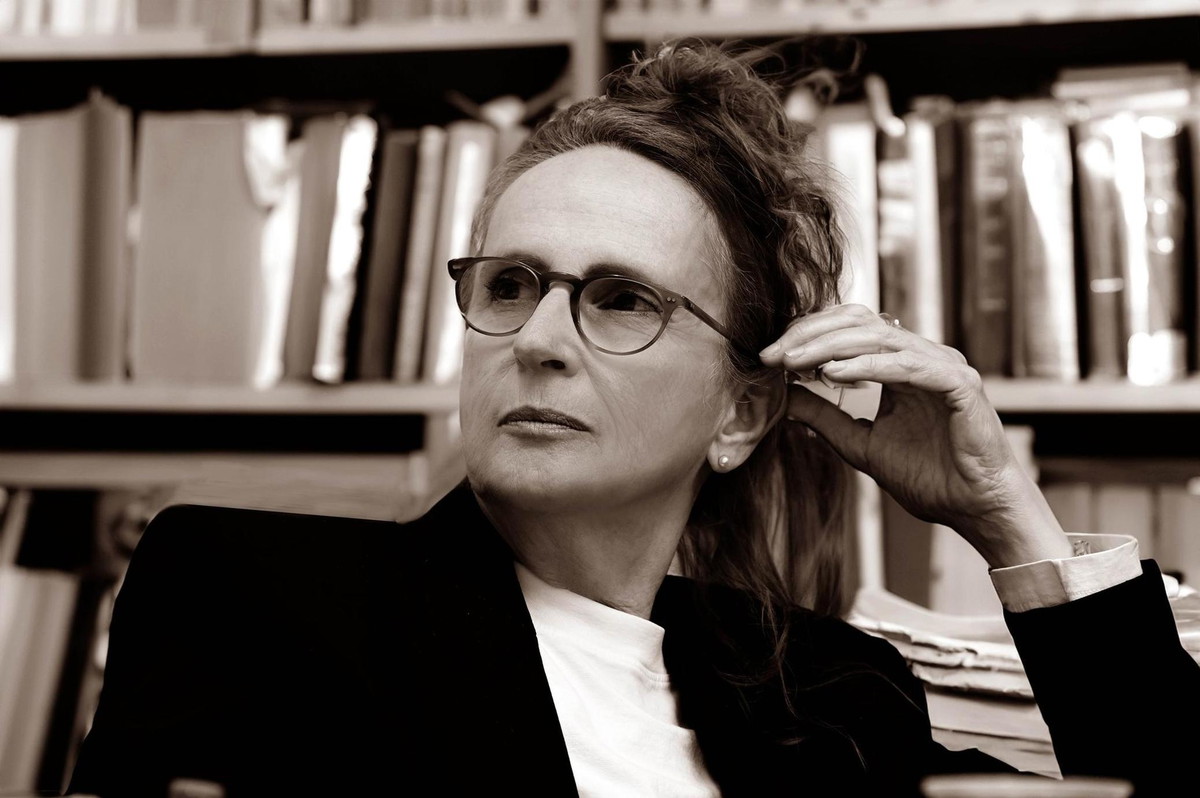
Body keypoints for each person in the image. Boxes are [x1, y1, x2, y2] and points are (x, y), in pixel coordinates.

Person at [69, 39, 1198, 798]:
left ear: (742, 413)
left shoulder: (835, 695)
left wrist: (1006, 517)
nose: (539, 337)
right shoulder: (251, 595)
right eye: (510, 285)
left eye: (620, 300)